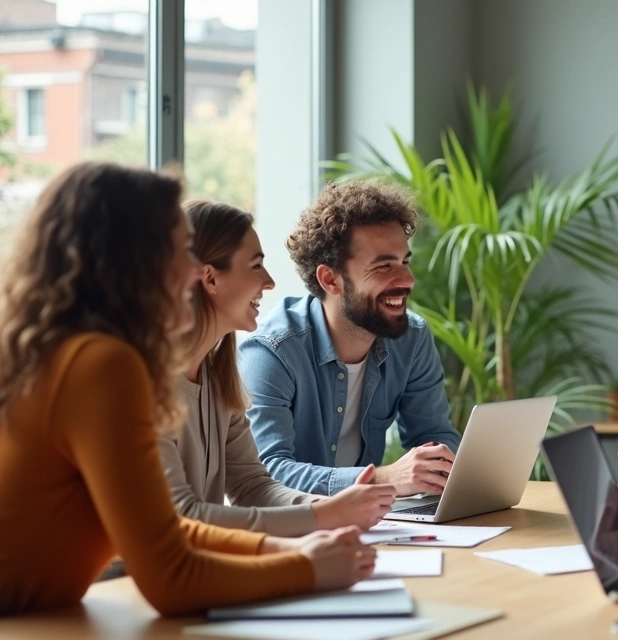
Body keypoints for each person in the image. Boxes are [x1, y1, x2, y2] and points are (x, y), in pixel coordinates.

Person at [0, 163, 374, 616]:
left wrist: (280, 549)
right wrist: (306, 567)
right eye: (181, 250)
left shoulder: (85, 355)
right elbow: (170, 577)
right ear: (134, 261)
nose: (194, 271)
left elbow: (165, 529)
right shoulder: (100, 364)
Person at [160, 200, 396, 536]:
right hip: (120, 583)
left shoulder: (217, 378)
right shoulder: (143, 386)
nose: (269, 282)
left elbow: (252, 486)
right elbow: (181, 518)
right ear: (210, 278)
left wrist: (328, 508)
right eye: (255, 266)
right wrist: (322, 518)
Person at [240, 180, 460, 497]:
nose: (407, 280)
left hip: (371, 523)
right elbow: (268, 474)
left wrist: (438, 468)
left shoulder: (412, 338)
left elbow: (434, 435)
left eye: (405, 261)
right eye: (384, 266)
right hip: (295, 532)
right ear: (330, 279)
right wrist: (384, 479)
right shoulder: (272, 352)